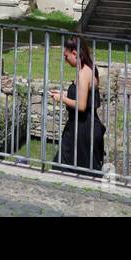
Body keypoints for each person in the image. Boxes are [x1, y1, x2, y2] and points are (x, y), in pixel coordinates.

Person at [48, 37, 107, 175]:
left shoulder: (83, 74)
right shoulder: (90, 69)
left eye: (66, 56)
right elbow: (82, 94)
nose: (65, 59)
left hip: (82, 130)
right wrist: (64, 93)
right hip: (82, 127)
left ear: (74, 53)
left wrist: (61, 98)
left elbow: (81, 105)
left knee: (67, 167)